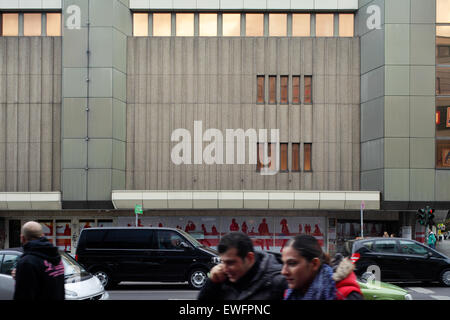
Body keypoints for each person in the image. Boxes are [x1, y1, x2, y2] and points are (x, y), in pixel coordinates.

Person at [197, 232, 287, 300]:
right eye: (223, 262)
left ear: (249, 258)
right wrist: (212, 283)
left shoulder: (278, 282)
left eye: (230, 263)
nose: (224, 268)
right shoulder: (222, 278)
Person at [281, 235, 363, 300]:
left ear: (314, 264)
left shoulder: (344, 295)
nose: (284, 271)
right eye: (283, 263)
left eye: (292, 263)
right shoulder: (290, 294)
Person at [14, 221, 65, 300]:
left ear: (22, 238)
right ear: (42, 235)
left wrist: (22, 275)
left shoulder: (27, 263)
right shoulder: (56, 256)